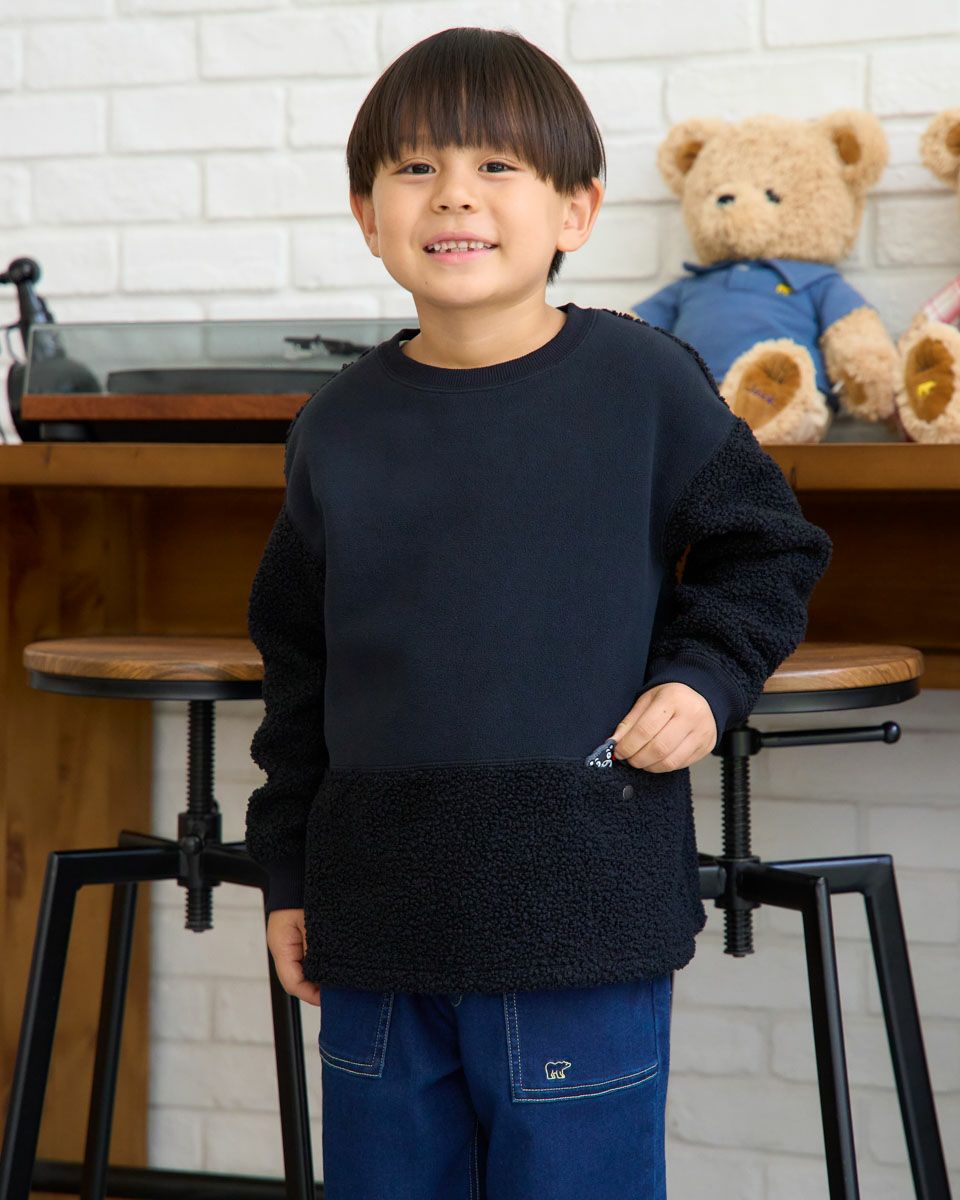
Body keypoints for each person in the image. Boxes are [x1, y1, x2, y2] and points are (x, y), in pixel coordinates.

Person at [244, 25, 833, 1200]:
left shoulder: (643, 383)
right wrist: (288, 877)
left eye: (497, 165)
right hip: (377, 923)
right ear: (367, 214)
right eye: (416, 167)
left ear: (576, 209)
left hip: (580, 914)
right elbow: (298, 668)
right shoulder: (335, 429)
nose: (454, 193)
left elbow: (768, 550)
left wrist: (705, 679)